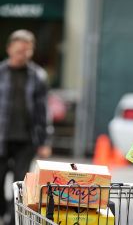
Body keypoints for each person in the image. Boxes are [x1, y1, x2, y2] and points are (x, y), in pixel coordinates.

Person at [0, 30, 52, 224]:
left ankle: (13, 220)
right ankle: (4, 212)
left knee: (20, 184)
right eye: (20, 50)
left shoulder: (38, 75)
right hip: (2, 138)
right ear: (9, 49)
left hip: (26, 140)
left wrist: (45, 141)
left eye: (28, 51)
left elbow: (43, 111)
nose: (24, 55)